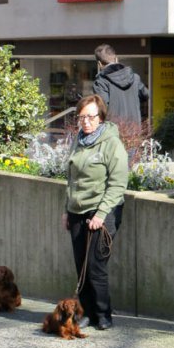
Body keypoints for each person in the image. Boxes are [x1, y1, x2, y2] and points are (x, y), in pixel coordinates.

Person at [63, 94, 128, 331]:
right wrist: (66, 209)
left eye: (90, 117)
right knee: (81, 265)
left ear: (100, 118)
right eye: (81, 117)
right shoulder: (78, 140)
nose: (85, 122)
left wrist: (100, 214)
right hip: (77, 210)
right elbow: (70, 179)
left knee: (95, 266)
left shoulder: (111, 143)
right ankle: (87, 312)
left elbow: (118, 183)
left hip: (104, 209)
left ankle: (104, 314)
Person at [93, 43, 149, 124]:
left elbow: (102, 108)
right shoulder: (135, 77)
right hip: (134, 129)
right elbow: (146, 95)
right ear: (116, 59)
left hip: (113, 131)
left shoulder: (100, 82)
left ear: (99, 64)